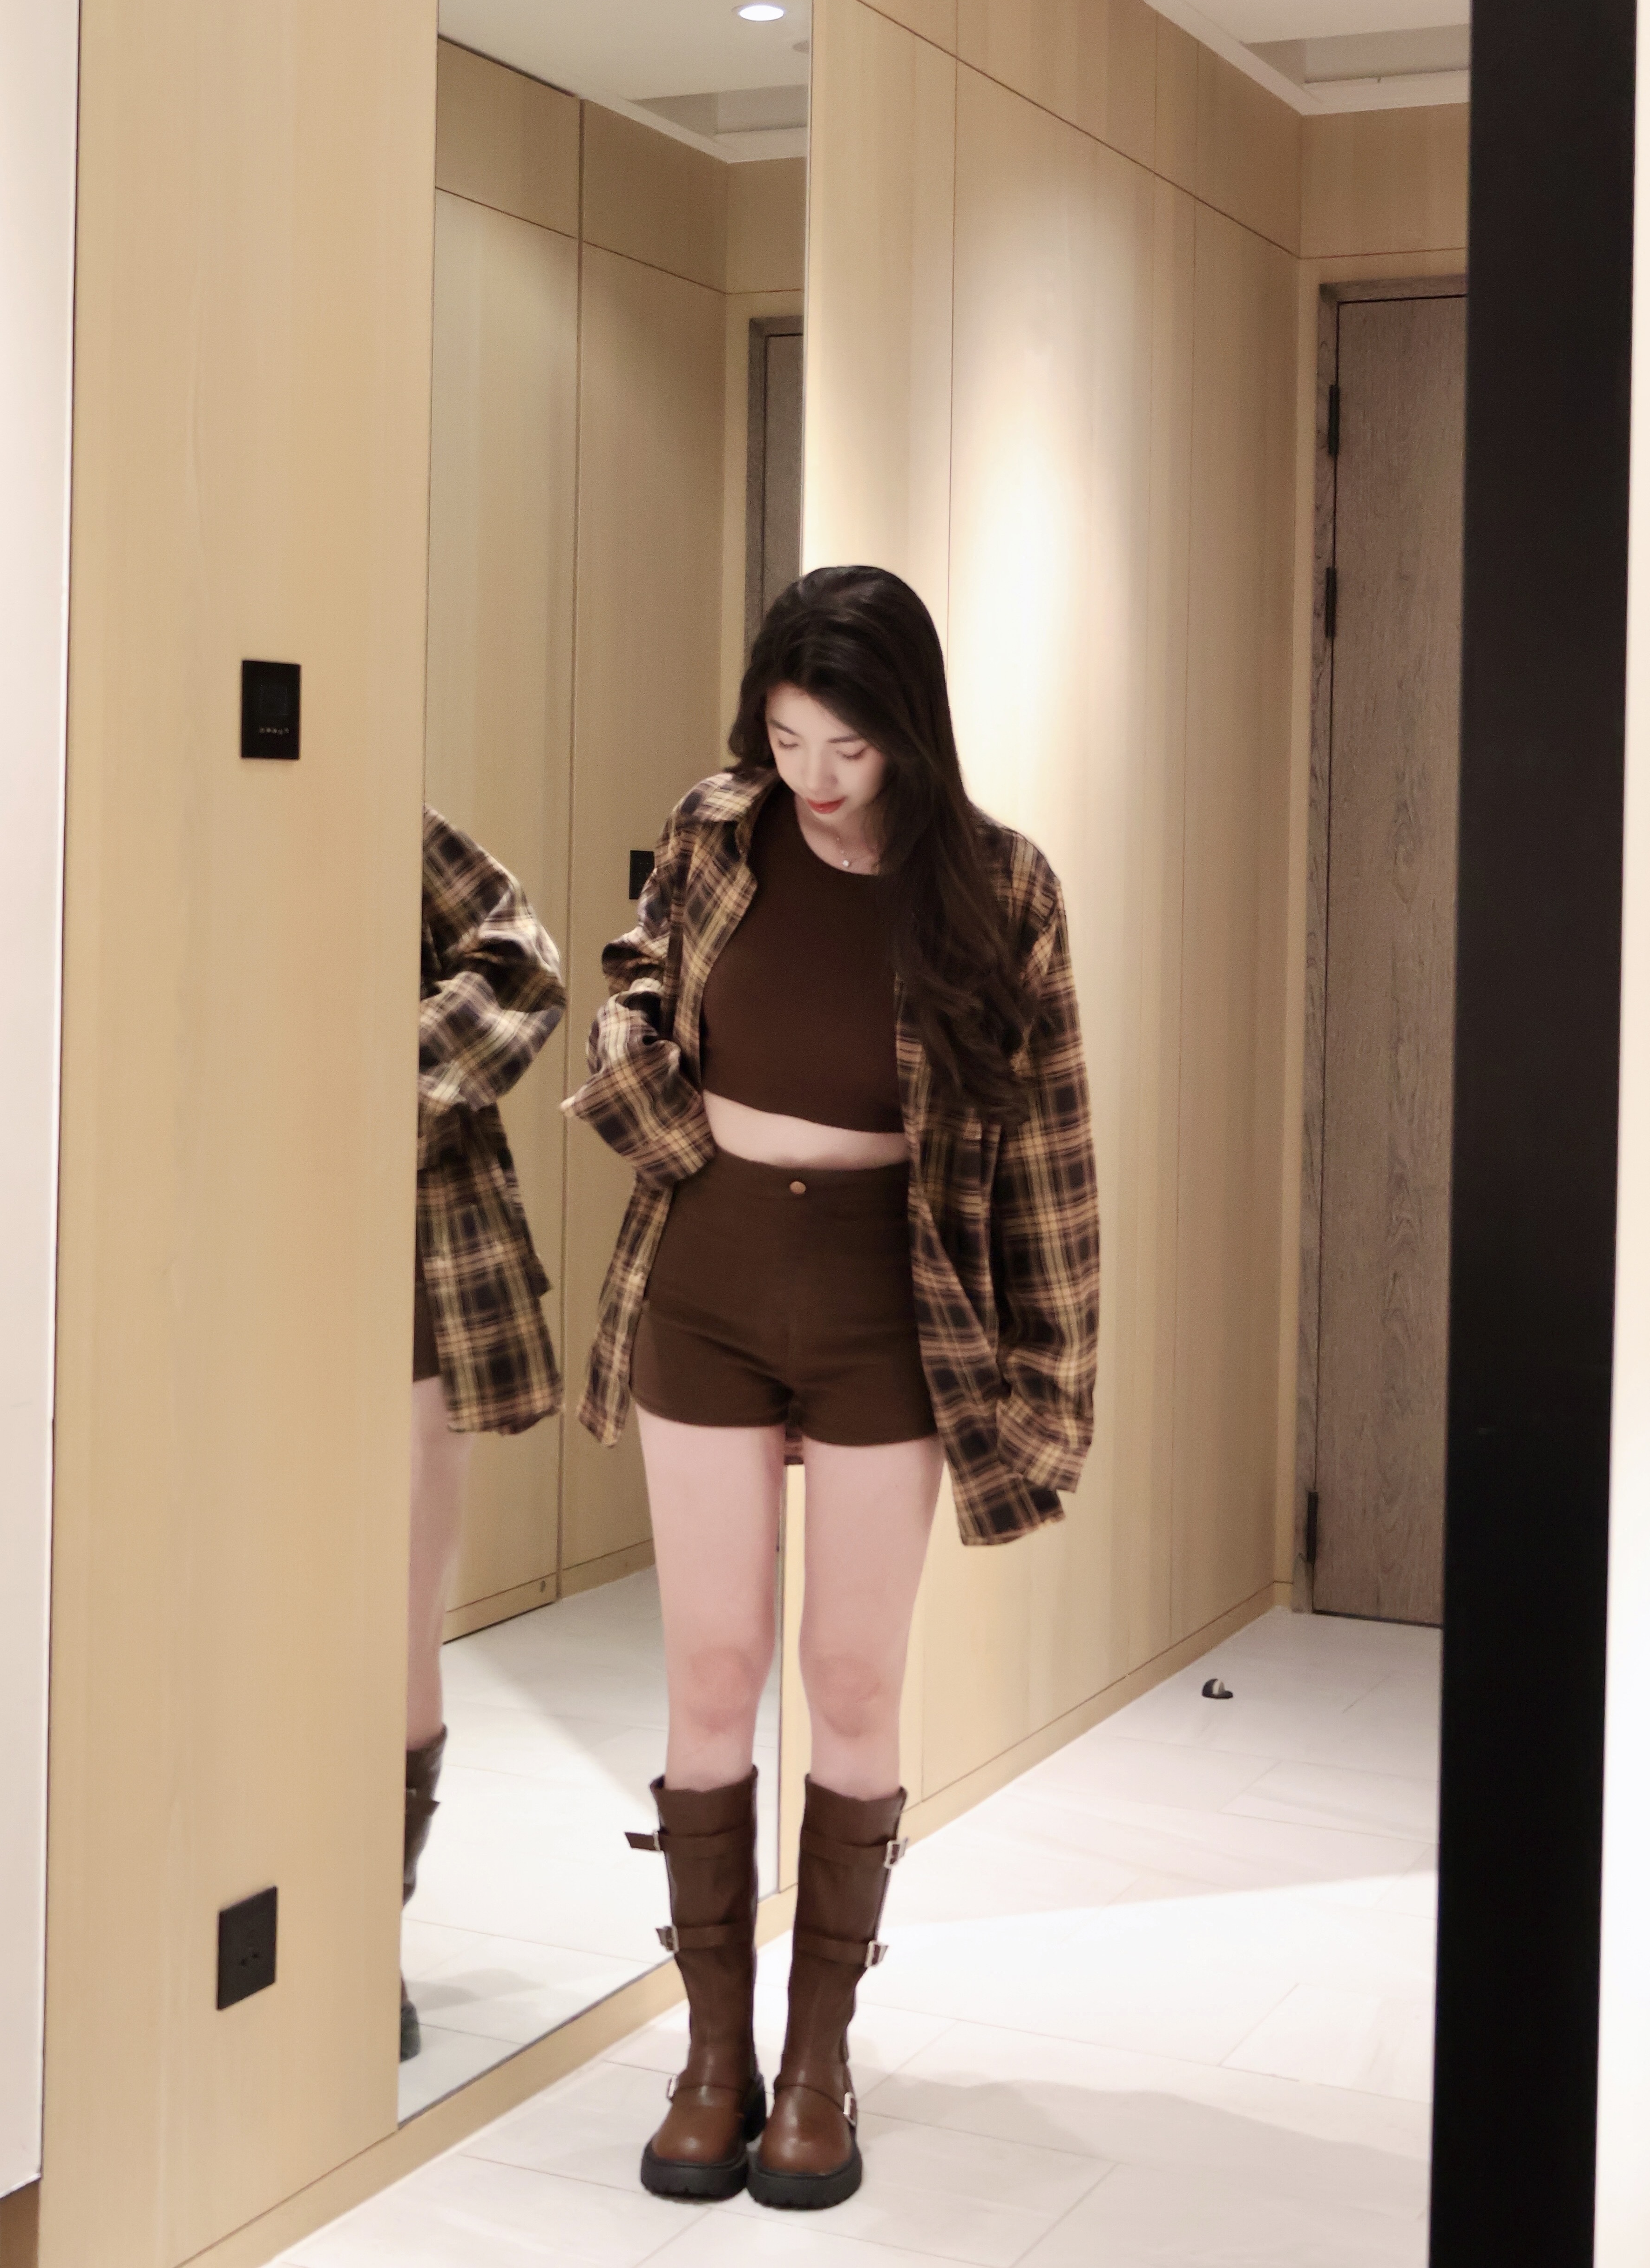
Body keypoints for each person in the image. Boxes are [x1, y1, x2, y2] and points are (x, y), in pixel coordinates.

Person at [566, 566, 1099, 2208]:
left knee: (852, 1677)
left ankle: (817, 2060)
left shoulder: (1000, 886)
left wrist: (1049, 1379)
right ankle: (711, 2057)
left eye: (848, 749)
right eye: (789, 739)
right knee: (713, 1662)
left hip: (893, 1298)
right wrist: (649, 1102)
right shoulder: (717, 830)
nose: (813, 776)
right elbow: (637, 989)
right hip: (710, 1274)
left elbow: (1051, 1150)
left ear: (910, 737)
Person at [405, 807, 566, 2060]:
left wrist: (390, 1079)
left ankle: (371, 1936)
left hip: (413, 1254)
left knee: (399, 1611)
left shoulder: (382, 815)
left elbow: (524, 955)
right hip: (217, 1251)